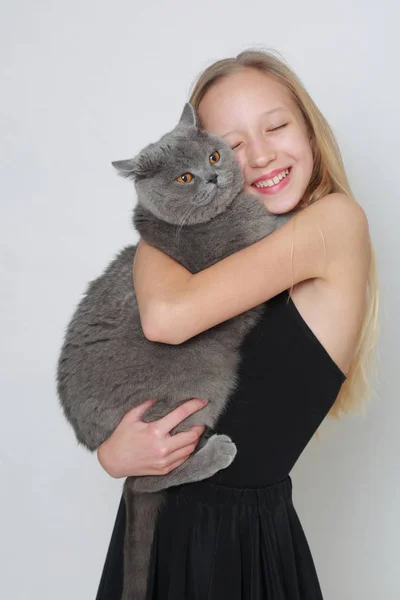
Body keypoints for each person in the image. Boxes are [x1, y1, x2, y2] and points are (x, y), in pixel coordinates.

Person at [95, 49, 379, 599]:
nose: (262, 156)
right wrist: (115, 454)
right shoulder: (226, 253)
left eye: (276, 126)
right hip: (150, 532)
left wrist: (160, 214)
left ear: (310, 130)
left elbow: (165, 318)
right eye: (233, 146)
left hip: (231, 548)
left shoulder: (335, 223)